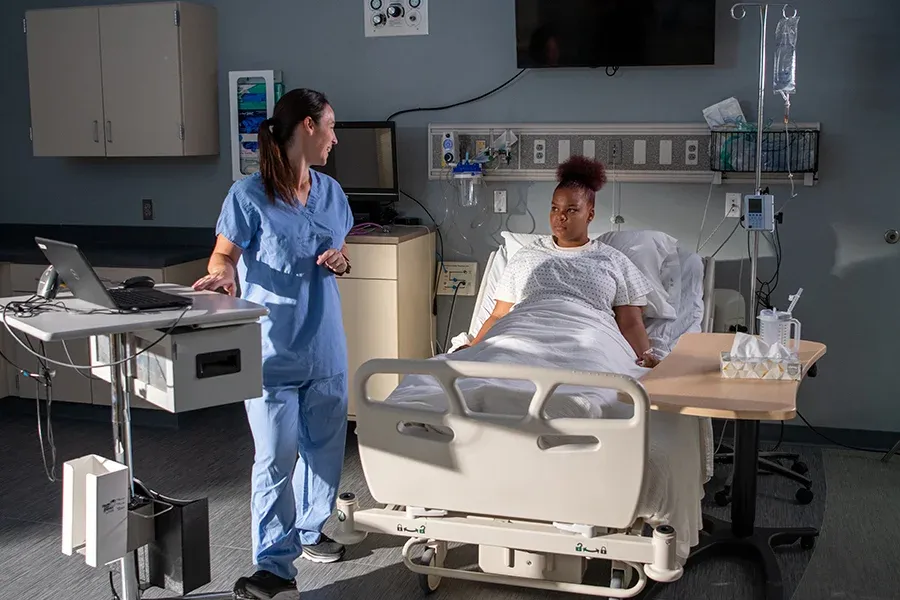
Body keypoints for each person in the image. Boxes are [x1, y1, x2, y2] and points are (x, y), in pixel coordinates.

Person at [192, 88, 353, 600]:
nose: (334, 137)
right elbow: (223, 257)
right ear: (307, 126)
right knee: (275, 459)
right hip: (271, 351)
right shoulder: (248, 196)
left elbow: (338, 253)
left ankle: (309, 531)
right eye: (330, 126)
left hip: (324, 346)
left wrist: (341, 262)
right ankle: (273, 565)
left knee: (325, 457)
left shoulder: (331, 192)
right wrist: (222, 276)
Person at [463, 155, 661, 368]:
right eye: (555, 208)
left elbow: (630, 323)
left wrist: (646, 357)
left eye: (571, 210)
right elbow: (499, 315)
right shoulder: (526, 255)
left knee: (589, 366)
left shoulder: (613, 260)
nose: (560, 216)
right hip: (522, 330)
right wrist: (473, 347)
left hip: (587, 336)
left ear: (590, 214)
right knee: (499, 360)